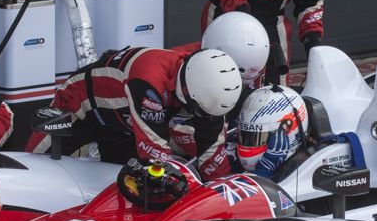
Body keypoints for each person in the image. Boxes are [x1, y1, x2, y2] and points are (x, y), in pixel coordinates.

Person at [25, 47, 242, 180]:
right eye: (199, 112)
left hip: (125, 127)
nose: (205, 117)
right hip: (80, 108)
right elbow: (155, 153)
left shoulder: (210, 91)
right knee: (32, 169)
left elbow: (212, 154)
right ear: (186, 90)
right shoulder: (148, 82)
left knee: (130, 190)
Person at [234, 83, 364, 180]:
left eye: (260, 138)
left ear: (288, 131)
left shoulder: (310, 168)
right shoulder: (229, 153)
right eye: (245, 136)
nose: (247, 144)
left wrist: (263, 173)